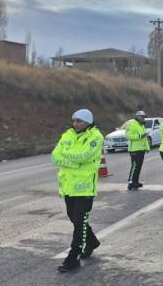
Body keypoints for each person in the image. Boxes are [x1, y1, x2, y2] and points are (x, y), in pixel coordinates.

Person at [51, 109, 104, 273]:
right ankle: (92, 241)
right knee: (74, 219)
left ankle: (72, 257)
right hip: (67, 186)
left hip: (84, 188)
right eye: (74, 120)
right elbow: (54, 155)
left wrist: (67, 157)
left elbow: (84, 156)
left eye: (79, 121)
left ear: (88, 121)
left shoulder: (95, 137)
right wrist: (74, 163)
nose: (75, 124)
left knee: (79, 222)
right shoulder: (67, 134)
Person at [126, 110, 149, 190]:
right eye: (142, 117)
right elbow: (128, 135)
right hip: (134, 150)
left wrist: (147, 147)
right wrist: (140, 136)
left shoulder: (141, 125)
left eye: (144, 117)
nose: (144, 118)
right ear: (137, 117)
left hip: (141, 149)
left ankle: (135, 182)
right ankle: (130, 182)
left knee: (138, 166)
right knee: (135, 166)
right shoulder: (132, 124)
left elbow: (144, 138)